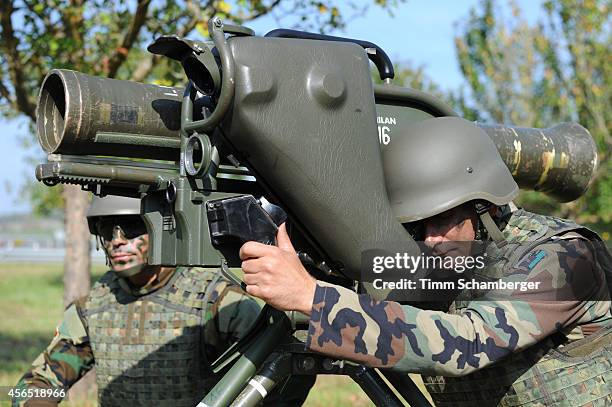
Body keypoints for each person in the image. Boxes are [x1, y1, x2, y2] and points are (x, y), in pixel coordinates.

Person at [238, 117, 612, 406]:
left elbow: (467, 343)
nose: (430, 238)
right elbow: (366, 289)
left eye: (443, 218)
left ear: (485, 206)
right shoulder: (445, 259)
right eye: (418, 225)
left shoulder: (565, 259)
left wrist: (311, 297)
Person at [13, 195, 313, 407]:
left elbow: (286, 370)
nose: (116, 240)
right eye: (106, 228)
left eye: (130, 227)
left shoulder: (214, 300)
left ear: (158, 229)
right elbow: (39, 382)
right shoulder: (93, 306)